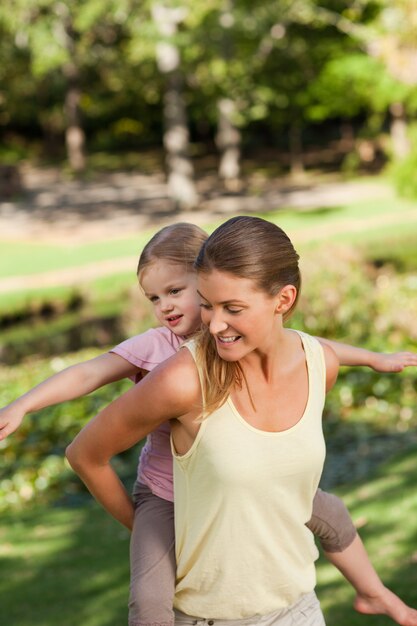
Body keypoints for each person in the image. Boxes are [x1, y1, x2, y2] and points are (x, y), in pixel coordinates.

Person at [63, 216, 417, 625]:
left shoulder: (321, 365)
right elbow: (86, 454)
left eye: (233, 308)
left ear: (283, 300)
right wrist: (153, 532)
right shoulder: (183, 379)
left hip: (297, 608)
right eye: (208, 305)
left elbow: (283, 484)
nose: (213, 325)